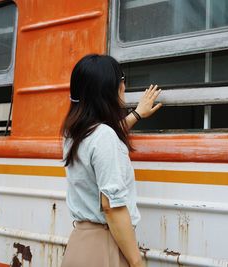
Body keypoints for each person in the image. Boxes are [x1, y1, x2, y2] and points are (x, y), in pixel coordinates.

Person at [60, 54, 162, 267]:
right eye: (121, 79)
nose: (124, 85)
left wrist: (136, 114)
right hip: (105, 247)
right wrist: (136, 262)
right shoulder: (103, 136)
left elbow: (103, 139)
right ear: (108, 89)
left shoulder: (74, 133)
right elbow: (111, 206)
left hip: (81, 244)